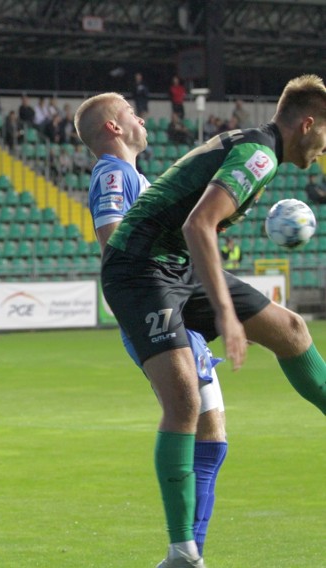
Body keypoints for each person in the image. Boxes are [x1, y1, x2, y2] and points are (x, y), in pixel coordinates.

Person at [94, 75, 326, 567]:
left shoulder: (257, 149)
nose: (324, 147)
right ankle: (181, 551)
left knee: (292, 332)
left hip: (174, 264)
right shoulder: (259, 155)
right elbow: (197, 222)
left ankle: (186, 550)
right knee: (183, 399)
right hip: (138, 266)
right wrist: (225, 312)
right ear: (308, 124)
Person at [75, 92, 230, 560]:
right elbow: (115, 240)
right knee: (192, 418)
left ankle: (190, 553)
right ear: (114, 128)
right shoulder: (113, 173)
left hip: (174, 300)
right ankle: (185, 548)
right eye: (132, 113)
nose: (142, 118)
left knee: (213, 435)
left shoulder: (135, 175)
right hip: (153, 304)